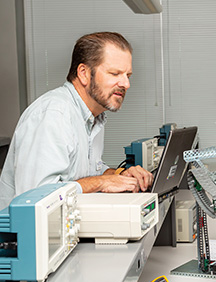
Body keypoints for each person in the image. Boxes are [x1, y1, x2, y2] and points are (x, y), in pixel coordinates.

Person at [0, 32, 153, 209]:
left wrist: (119, 175)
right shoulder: (53, 115)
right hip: (24, 234)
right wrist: (102, 182)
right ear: (84, 73)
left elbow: (86, 171)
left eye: (128, 75)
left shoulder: (93, 116)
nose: (126, 84)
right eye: (115, 73)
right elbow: (35, 198)